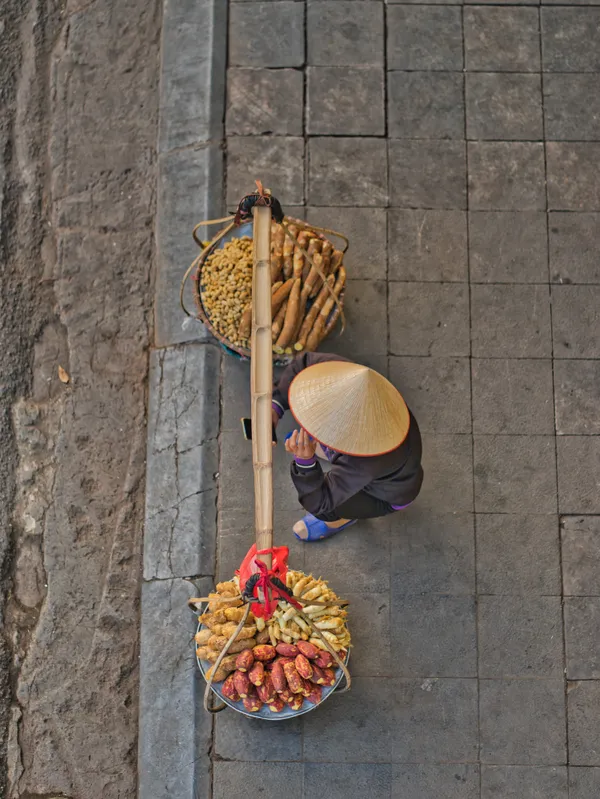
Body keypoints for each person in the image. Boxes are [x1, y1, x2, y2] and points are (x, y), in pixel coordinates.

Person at [271, 352, 423, 542]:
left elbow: (319, 502)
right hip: (398, 465)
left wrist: (305, 464)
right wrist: (275, 405)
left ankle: (340, 520)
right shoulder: (353, 378)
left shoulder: (366, 459)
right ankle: (322, 451)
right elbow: (305, 362)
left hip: (386, 495)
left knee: (330, 509)